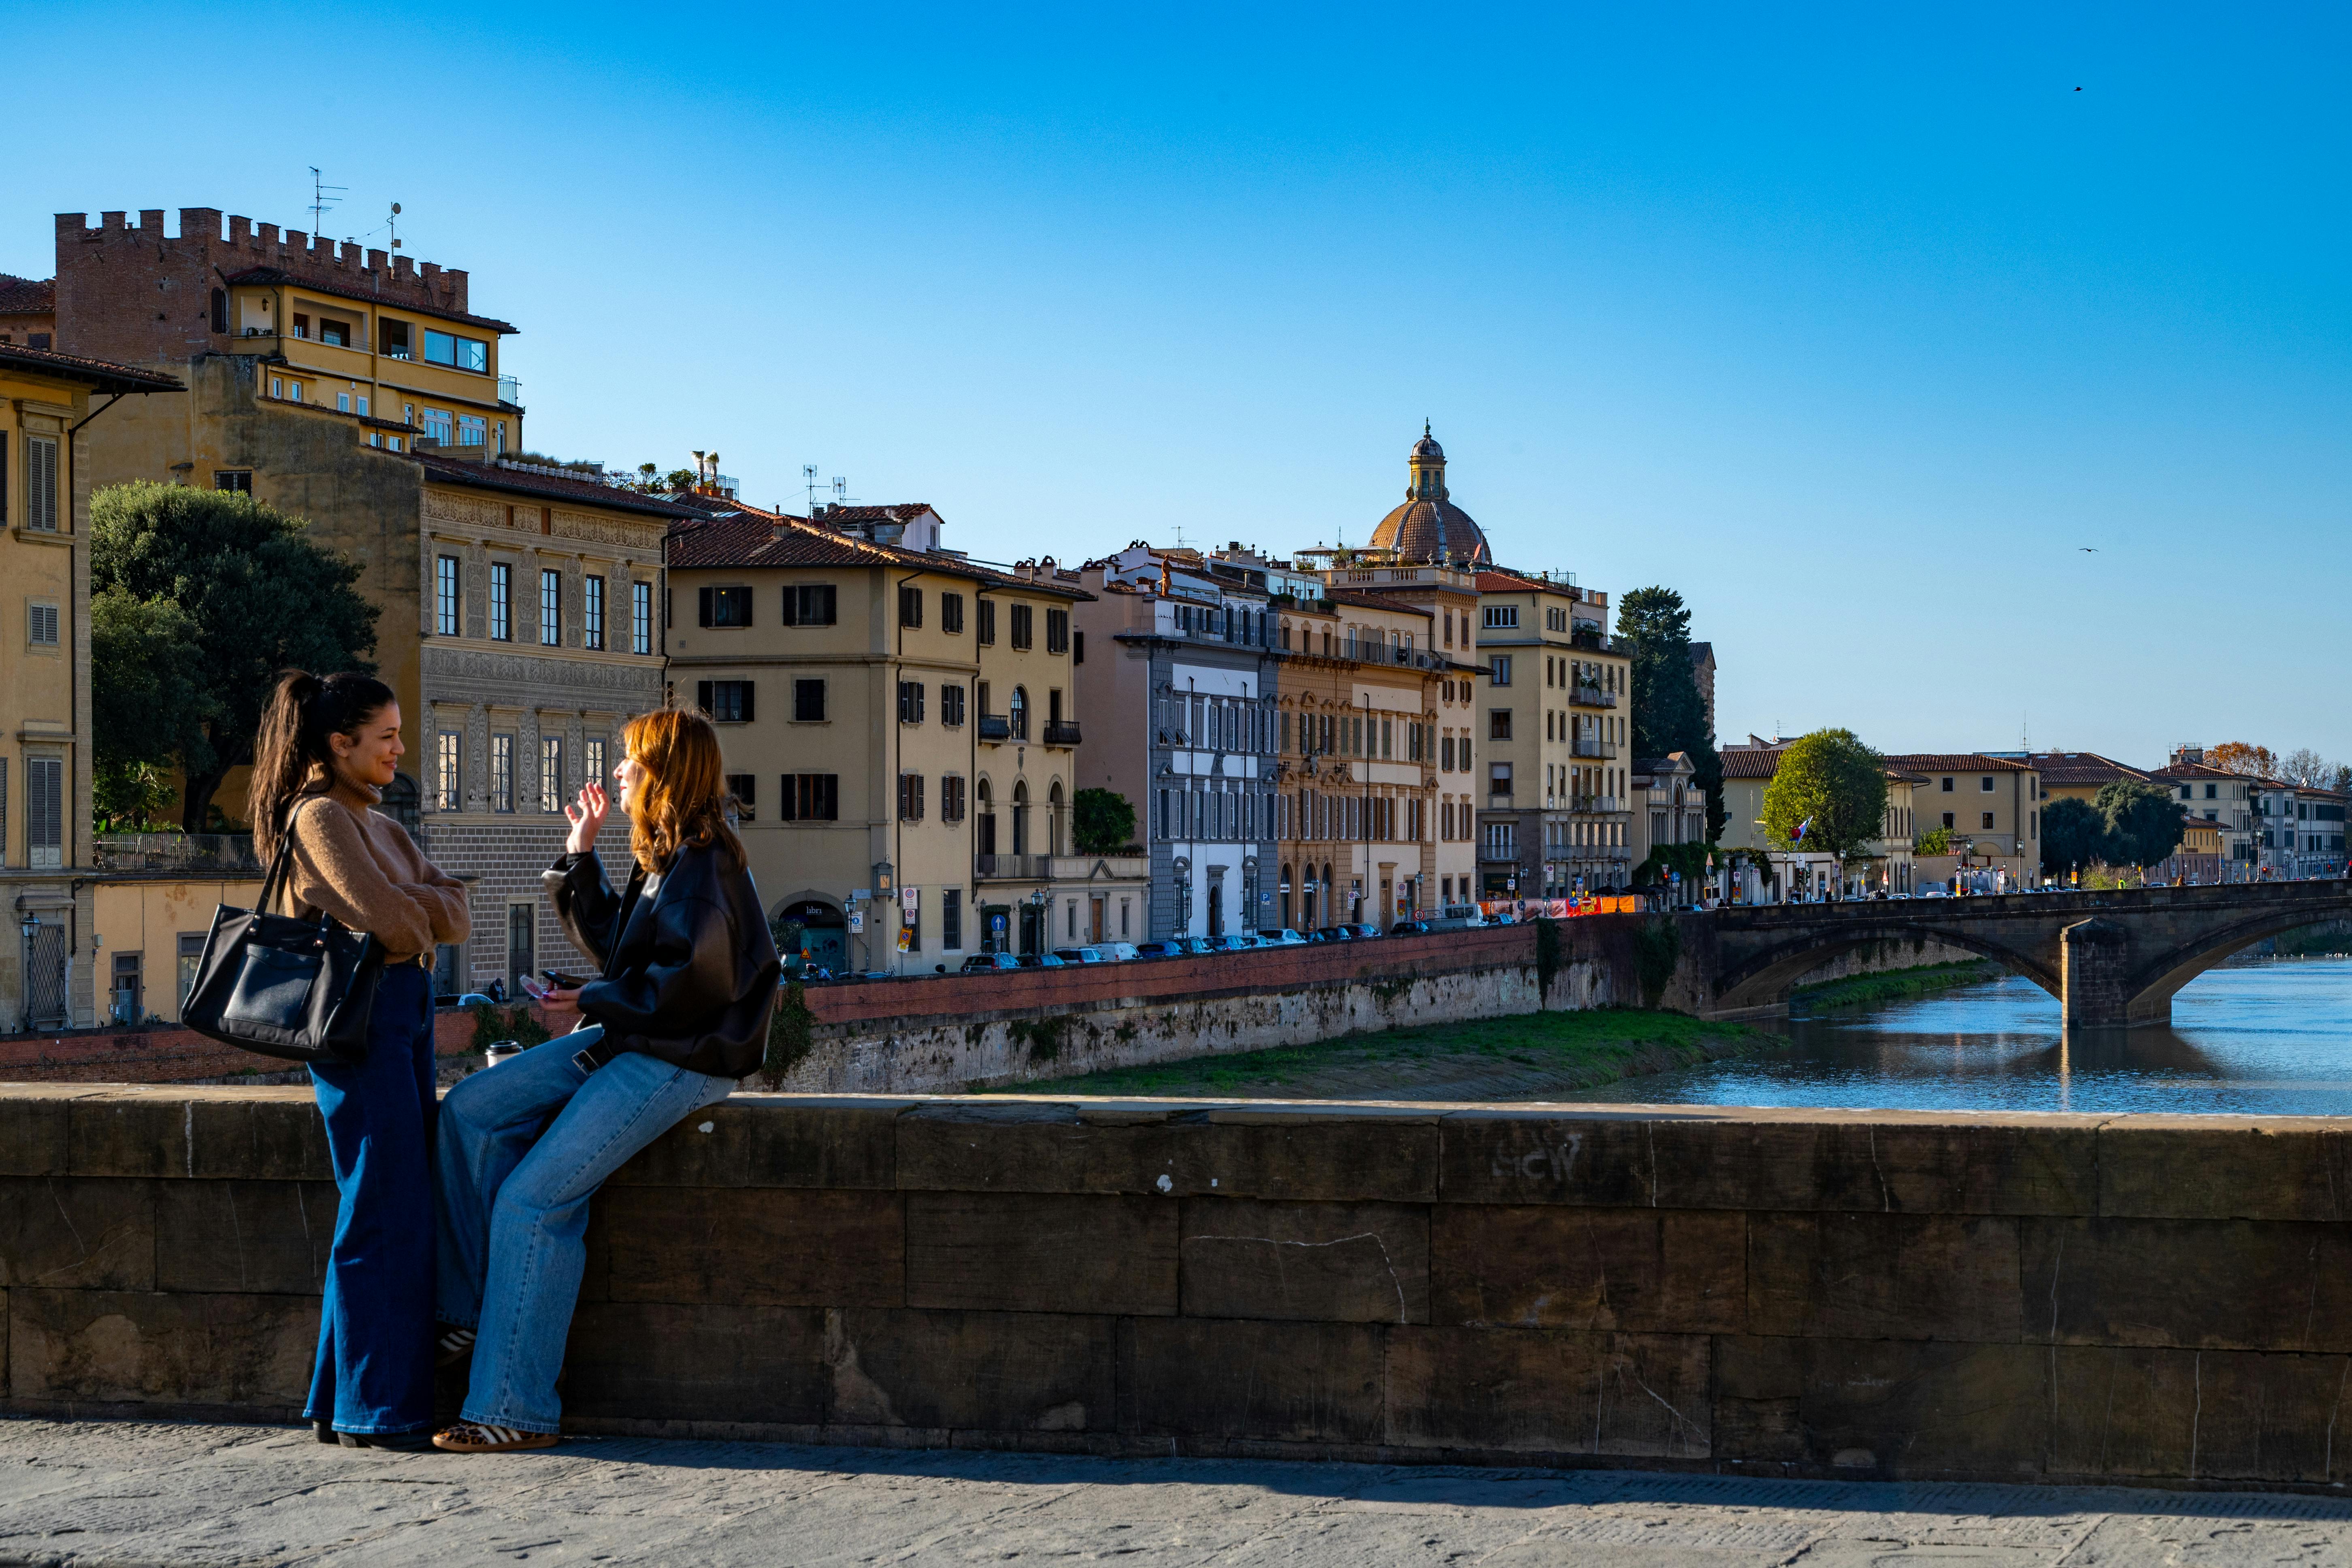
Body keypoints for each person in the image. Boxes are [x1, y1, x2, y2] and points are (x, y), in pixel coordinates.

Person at [431, 706, 780, 1452]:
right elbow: (621, 956)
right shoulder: (668, 855)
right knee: (472, 1109)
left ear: (663, 773)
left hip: (678, 1059)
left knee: (533, 1201)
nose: (617, 771)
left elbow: (696, 986)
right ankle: (464, 1311)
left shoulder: (705, 864)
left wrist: (590, 1000)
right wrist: (578, 854)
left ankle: (511, 1408)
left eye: (630, 761)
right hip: (634, 1036)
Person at [248, 670, 469, 1451]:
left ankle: (342, 1401)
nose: (399, 750)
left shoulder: (379, 824)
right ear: (339, 745)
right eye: (385, 738)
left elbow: (455, 909)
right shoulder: (321, 819)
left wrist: (418, 911)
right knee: (384, 1206)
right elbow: (395, 923)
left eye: (398, 735)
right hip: (363, 1021)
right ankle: (379, 1412)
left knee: (392, 1201)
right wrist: (418, 911)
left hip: (401, 1016)